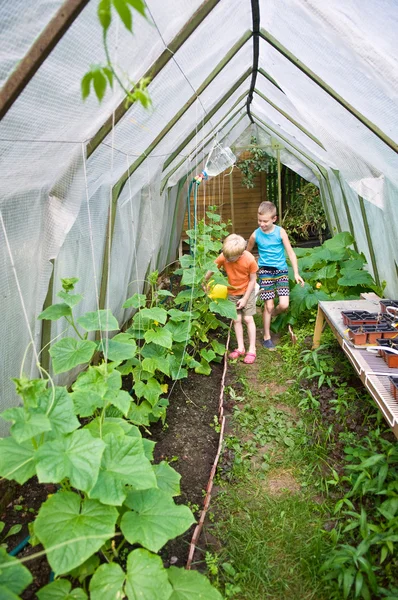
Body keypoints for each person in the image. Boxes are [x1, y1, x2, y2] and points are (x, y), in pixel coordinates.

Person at [247, 201, 304, 350]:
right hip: (265, 271)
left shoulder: (280, 232)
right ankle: (266, 336)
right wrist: (250, 270)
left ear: (274, 218)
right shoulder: (255, 234)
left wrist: (296, 273)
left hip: (281, 271)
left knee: (284, 305)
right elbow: (247, 253)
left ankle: (272, 315)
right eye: (259, 220)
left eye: (265, 221)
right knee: (269, 305)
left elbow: (291, 253)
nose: (262, 224)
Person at [204, 234, 258, 364]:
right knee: (236, 319)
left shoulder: (249, 259)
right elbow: (212, 268)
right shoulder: (225, 256)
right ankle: (240, 348)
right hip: (232, 292)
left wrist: (245, 299)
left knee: (248, 318)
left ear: (240, 254)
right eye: (225, 257)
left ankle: (252, 348)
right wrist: (204, 281)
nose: (227, 260)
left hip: (247, 291)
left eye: (230, 259)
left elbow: (252, 280)